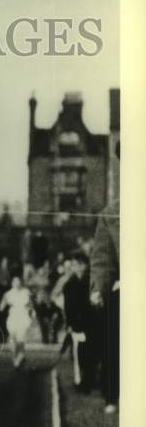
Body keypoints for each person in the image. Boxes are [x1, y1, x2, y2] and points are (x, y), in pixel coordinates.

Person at [90, 143, 120, 413]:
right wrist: (98, 288)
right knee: (115, 343)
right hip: (125, 290)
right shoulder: (111, 215)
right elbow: (102, 259)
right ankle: (113, 397)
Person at [61, 250, 98, 390]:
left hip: (92, 323)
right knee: (78, 354)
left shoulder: (91, 283)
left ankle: (89, 379)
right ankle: (80, 381)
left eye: (78, 264)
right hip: (77, 324)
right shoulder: (69, 285)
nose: (75, 267)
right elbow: (68, 308)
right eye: (74, 265)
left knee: (91, 353)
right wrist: (70, 324)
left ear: (84, 265)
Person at [0, 274, 33, 368]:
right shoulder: (8, 293)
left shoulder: (26, 292)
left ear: (21, 283)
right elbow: (1, 307)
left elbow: (31, 304)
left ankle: (20, 356)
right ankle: (15, 358)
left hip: (23, 316)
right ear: (12, 283)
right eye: (14, 281)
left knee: (20, 340)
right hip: (13, 317)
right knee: (12, 338)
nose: (17, 283)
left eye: (18, 281)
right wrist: (4, 302)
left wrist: (31, 311)